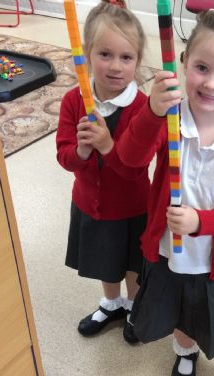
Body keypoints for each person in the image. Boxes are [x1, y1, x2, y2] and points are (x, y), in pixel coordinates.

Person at [117, 8, 214, 376]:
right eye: (201, 67)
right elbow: (130, 160)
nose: (211, 83)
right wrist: (151, 112)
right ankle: (185, 353)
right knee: (180, 312)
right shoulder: (168, 118)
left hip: (210, 261)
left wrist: (200, 221)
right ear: (183, 62)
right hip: (166, 251)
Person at [56, 0, 148, 343]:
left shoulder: (142, 107)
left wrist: (108, 146)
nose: (115, 66)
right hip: (90, 204)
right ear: (87, 55)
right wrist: (81, 151)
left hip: (132, 206)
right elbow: (64, 156)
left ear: (138, 61)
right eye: (105, 54)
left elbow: (137, 167)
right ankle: (111, 304)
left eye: (126, 57)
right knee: (105, 260)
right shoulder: (73, 101)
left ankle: (134, 306)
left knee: (132, 263)